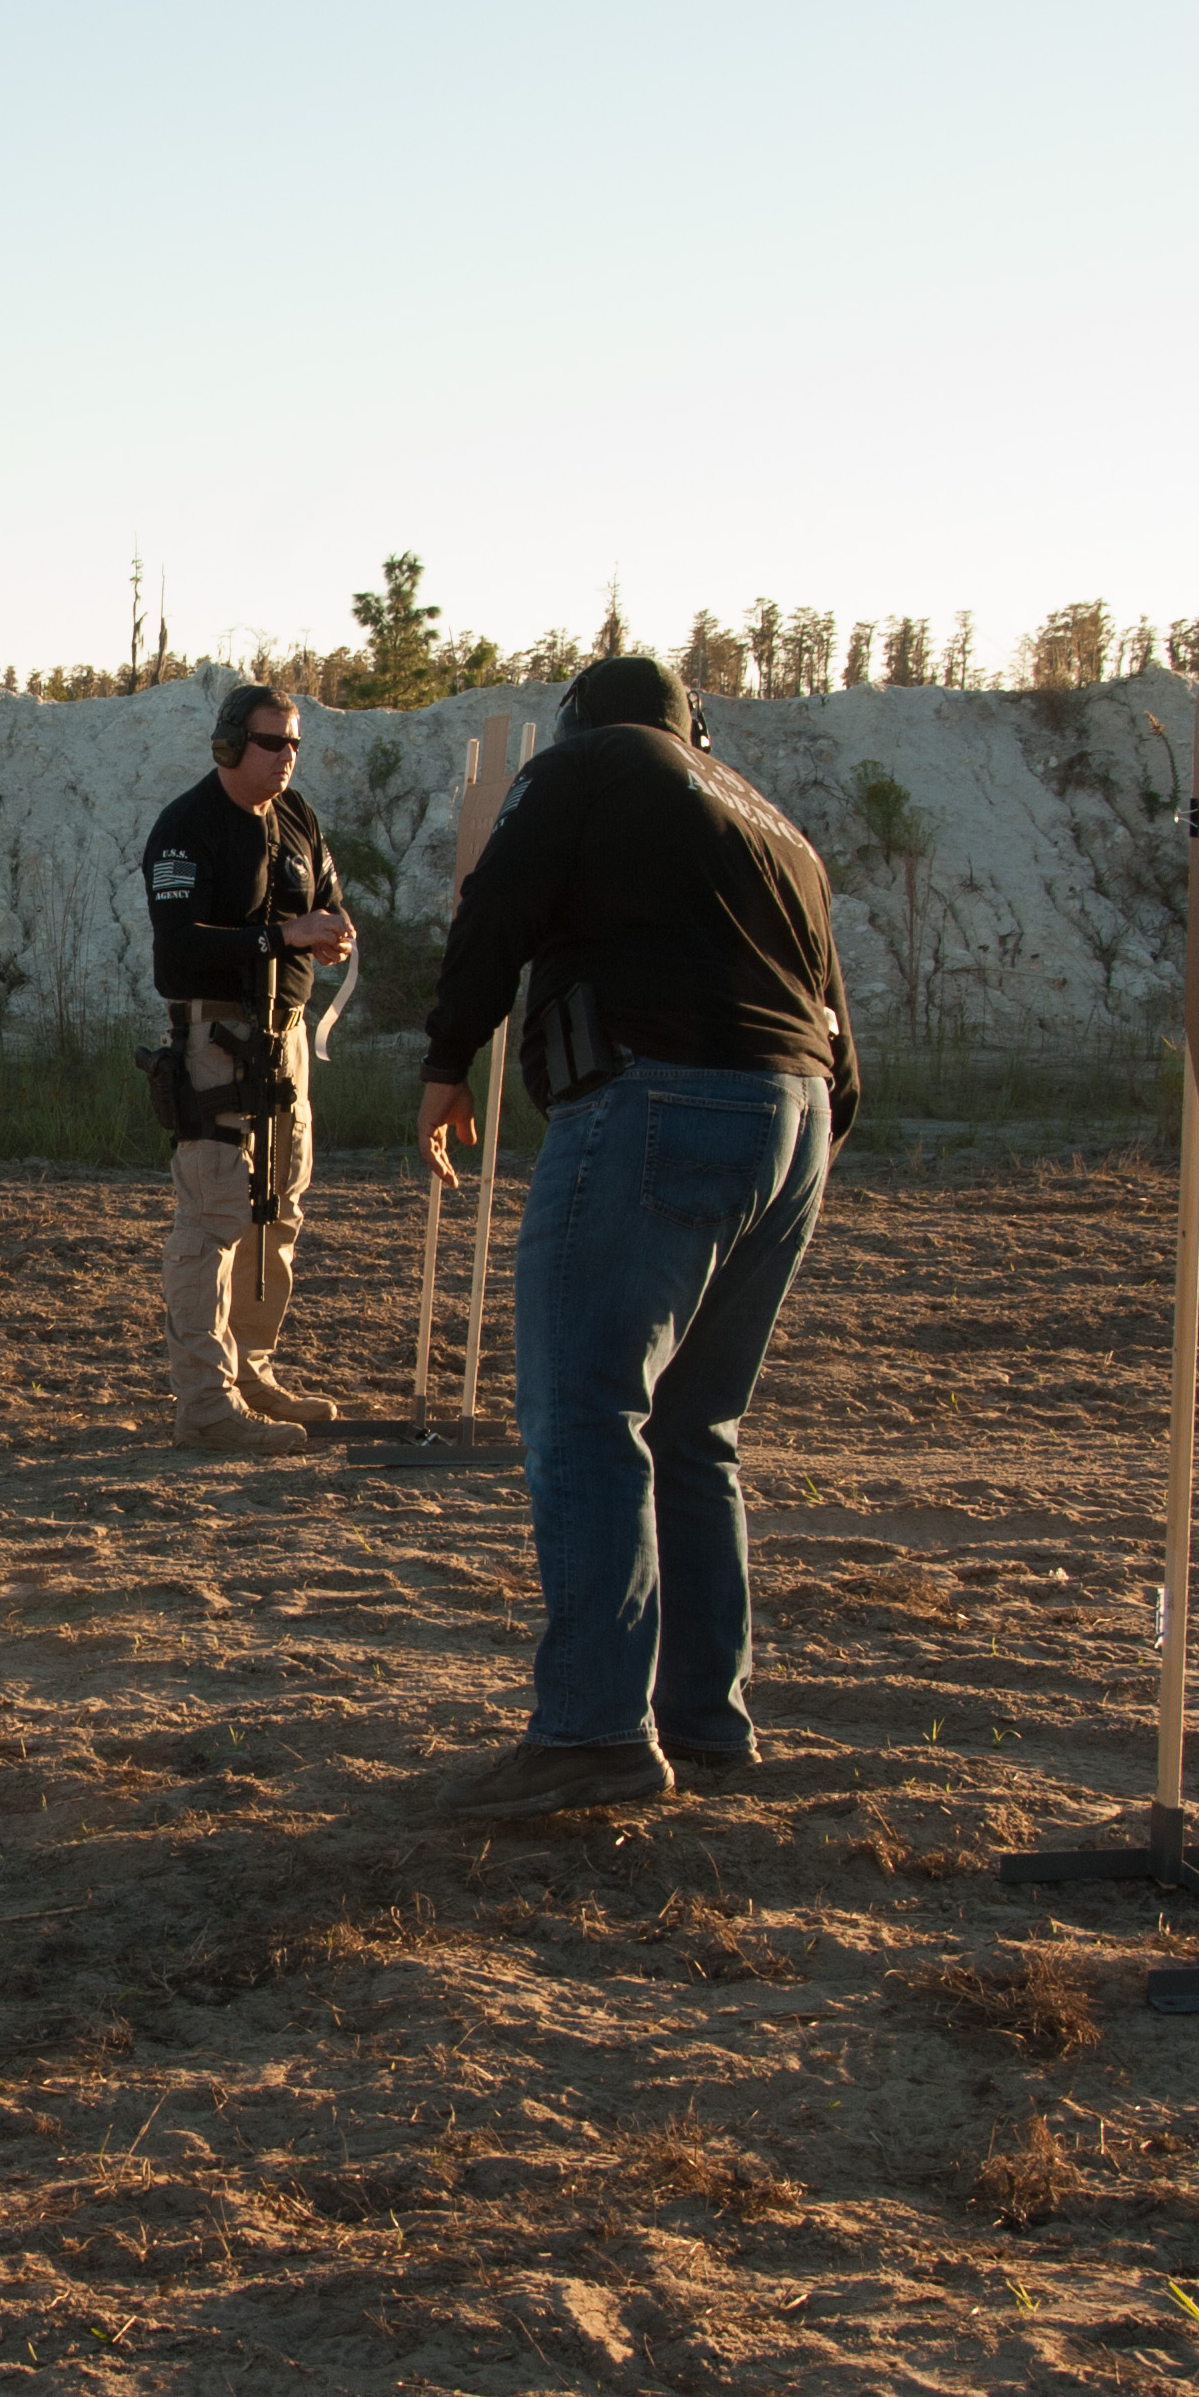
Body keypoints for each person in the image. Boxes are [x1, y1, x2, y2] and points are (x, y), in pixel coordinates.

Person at [415, 652, 860, 1819]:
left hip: (654, 1093)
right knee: (692, 1425)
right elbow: (831, 1018)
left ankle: (591, 1733)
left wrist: (445, 1056)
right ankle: (700, 1719)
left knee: (584, 1406)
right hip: (795, 1118)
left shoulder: (590, 765)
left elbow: (496, 902)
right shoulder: (772, 822)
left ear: (579, 721)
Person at [139, 682, 358, 1451]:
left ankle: (250, 1371)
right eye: (272, 743)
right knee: (215, 1214)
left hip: (286, 1032)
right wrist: (277, 939)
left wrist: (330, 931)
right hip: (215, 1037)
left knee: (280, 1209)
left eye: (294, 744)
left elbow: (325, 899)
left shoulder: (297, 818)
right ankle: (205, 1402)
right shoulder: (187, 827)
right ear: (231, 745)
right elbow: (178, 945)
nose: (286, 758)